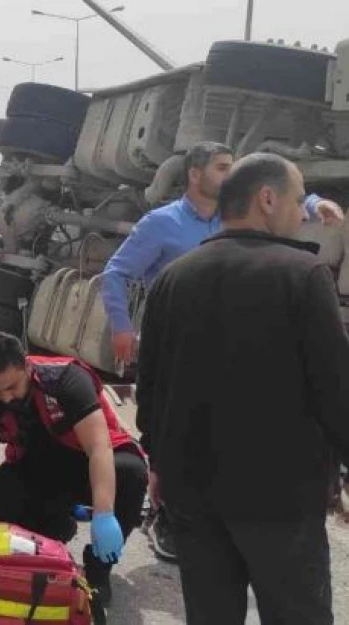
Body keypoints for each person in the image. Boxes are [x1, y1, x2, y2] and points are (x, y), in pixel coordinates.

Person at [100, 140, 344, 561]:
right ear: (195, 174)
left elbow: (285, 195)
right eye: (222, 167)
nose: (231, 174)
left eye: (234, 168)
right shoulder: (162, 225)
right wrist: (121, 327)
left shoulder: (244, 214)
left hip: (242, 353)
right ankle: (172, 516)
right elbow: (116, 274)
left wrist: (318, 201)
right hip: (189, 350)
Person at [0, 332, 148, 606]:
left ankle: (98, 570)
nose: (6, 398)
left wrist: (104, 513)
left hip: (90, 462)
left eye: (12, 387)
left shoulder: (66, 381)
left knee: (133, 474)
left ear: (26, 366)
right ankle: (50, 539)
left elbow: (100, 448)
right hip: (44, 470)